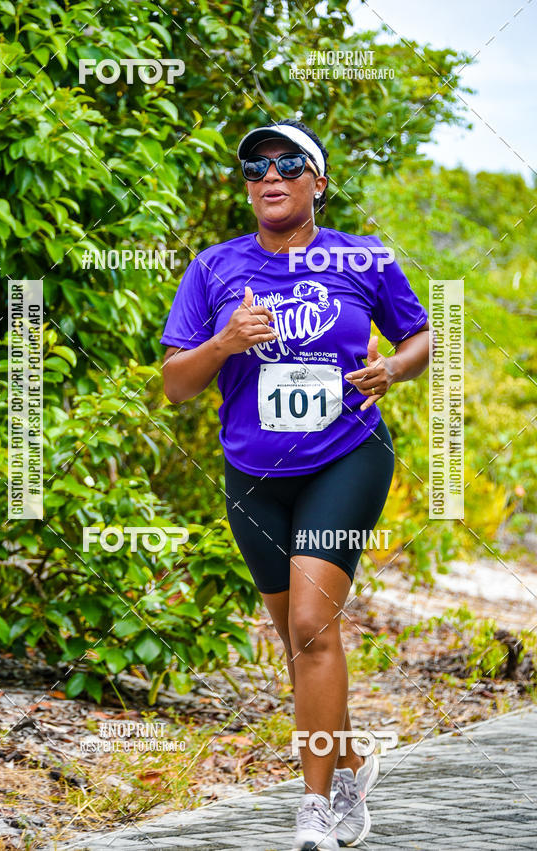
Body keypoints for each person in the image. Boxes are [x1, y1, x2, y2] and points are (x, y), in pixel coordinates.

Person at [160, 118, 430, 850]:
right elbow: (175, 386)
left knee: (312, 625)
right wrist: (223, 342)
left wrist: (395, 368)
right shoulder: (214, 267)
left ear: (318, 179)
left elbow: (421, 336)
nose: (269, 176)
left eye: (287, 163)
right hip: (253, 475)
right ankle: (348, 756)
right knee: (301, 639)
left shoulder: (364, 257)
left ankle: (316, 807)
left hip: (347, 454)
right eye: (254, 167)